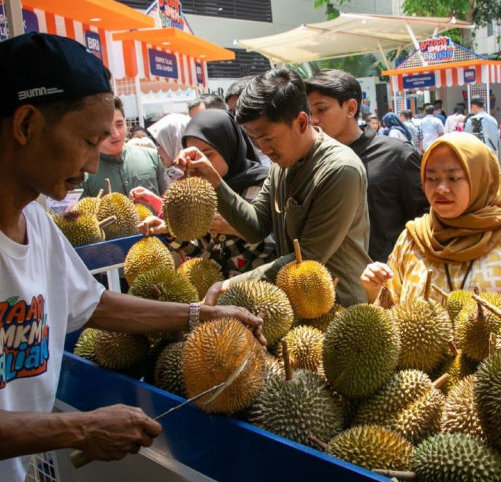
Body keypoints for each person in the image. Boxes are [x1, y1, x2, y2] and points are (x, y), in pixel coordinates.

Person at [0, 33, 263, 482]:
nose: (92, 161)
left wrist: (203, 315)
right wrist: (79, 430)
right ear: (25, 124)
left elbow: (96, 304)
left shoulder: (37, 226)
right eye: (87, 139)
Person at [179, 68, 372, 307]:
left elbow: (308, 257)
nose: (262, 149)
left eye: (268, 138)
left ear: (301, 122)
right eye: (254, 140)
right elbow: (256, 226)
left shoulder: (340, 170)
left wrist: (232, 285)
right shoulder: (281, 164)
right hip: (296, 305)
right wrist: (214, 181)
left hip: (340, 307)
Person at [361, 132, 501, 305]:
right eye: (432, 178)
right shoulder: (412, 240)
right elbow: (391, 313)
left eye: (453, 178)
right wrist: (374, 289)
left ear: (480, 178)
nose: (441, 188)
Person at [305, 70, 429, 262]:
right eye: (309, 112)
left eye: (321, 110)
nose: (313, 120)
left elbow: (426, 219)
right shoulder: (311, 161)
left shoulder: (396, 155)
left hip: (387, 280)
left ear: (350, 108)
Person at [138, 109, 275, 277]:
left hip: (260, 288)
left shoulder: (264, 185)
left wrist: (238, 228)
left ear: (229, 148)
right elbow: (201, 252)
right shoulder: (201, 191)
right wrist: (170, 231)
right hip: (219, 294)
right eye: (195, 156)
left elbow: (278, 247)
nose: (201, 164)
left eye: (208, 155)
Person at [81, 96, 168, 197]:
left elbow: (166, 201)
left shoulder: (151, 157)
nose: (115, 134)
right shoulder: (83, 174)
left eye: (119, 125)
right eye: (107, 128)